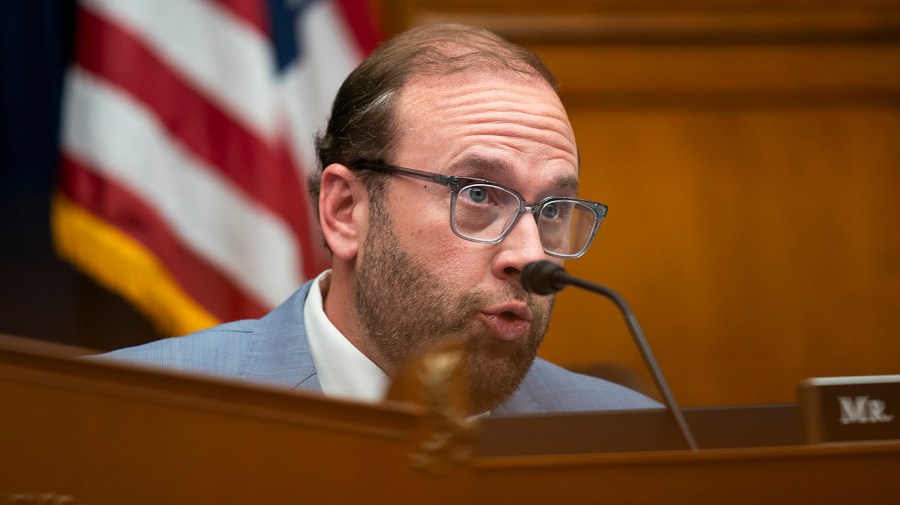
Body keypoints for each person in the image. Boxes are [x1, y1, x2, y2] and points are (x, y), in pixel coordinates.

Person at [96, 23, 660, 415]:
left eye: (554, 209)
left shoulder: (626, 433)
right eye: (481, 195)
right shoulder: (131, 411)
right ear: (346, 211)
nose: (531, 255)